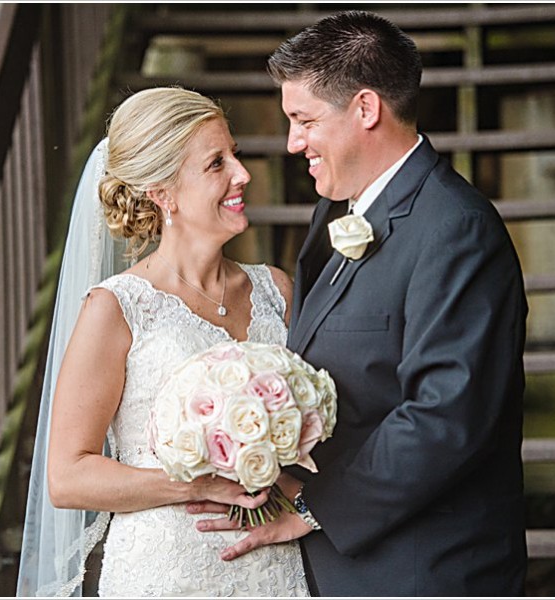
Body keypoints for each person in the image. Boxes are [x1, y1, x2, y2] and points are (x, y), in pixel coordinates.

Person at [188, 10, 529, 596]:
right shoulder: (336, 211)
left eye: (304, 120)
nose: (293, 143)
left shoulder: (456, 230)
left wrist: (320, 507)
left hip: (425, 569)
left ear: (366, 109)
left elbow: (445, 415)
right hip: (344, 568)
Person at [16, 87, 309, 597]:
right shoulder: (118, 308)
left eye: (235, 154)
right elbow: (67, 477)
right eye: (217, 163)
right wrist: (198, 484)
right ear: (163, 193)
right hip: (168, 574)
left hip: (276, 566)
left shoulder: (276, 289)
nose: (242, 174)